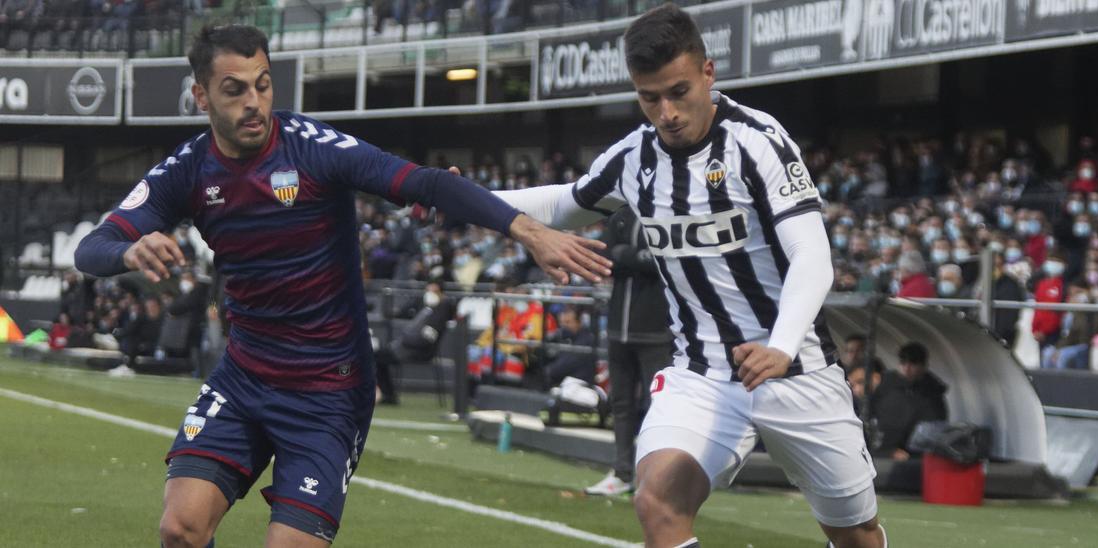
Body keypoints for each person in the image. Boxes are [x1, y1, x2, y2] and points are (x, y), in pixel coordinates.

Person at [73, 25, 610, 548]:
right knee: (180, 528)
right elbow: (92, 248)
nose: (254, 102)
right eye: (234, 90)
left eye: (263, 83)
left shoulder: (314, 149)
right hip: (245, 377)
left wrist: (528, 231)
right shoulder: (188, 171)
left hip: (328, 392)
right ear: (201, 96)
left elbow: (427, 182)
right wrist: (129, 250)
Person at [492, 5, 884, 547]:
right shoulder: (633, 158)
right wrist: (459, 198)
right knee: (656, 500)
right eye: (649, 97)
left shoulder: (758, 142)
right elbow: (564, 203)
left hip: (797, 371)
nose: (666, 112)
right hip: (702, 375)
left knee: (855, 535)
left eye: (678, 91)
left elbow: (813, 256)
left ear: (708, 73)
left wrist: (782, 346)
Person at [586, 207, 674, 497]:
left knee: (657, 407)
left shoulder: (667, 213)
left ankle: (654, 478)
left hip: (655, 330)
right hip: (618, 329)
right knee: (620, 404)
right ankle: (622, 472)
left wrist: (626, 255)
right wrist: (633, 257)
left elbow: (665, 262)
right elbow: (605, 256)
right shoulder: (621, 215)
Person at [867, 342, 947, 461]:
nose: (907, 368)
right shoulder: (887, 385)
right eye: (903, 362)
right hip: (883, 452)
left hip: (915, 458)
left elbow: (934, 429)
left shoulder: (933, 393)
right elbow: (869, 414)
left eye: (913, 363)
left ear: (924, 365)